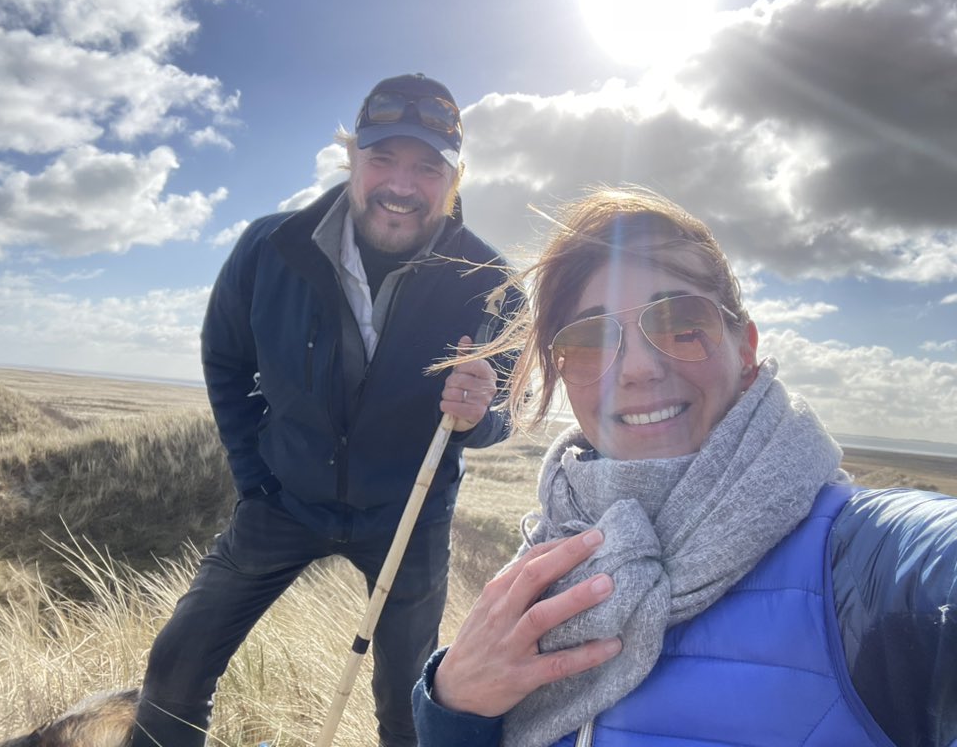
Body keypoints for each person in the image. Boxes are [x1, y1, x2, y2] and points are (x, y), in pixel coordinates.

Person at [412, 185, 957, 747]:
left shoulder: (862, 564)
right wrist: (452, 706)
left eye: (681, 325)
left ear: (744, 349)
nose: (639, 368)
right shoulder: (551, 552)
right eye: (592, 342)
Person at [130, 73, 519, 747]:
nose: (402, 183)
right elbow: (226, 360)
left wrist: (481, 411)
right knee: (175, 668)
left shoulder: (491, 284)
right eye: (383, 159)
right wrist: (255, 475)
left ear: (453, 178)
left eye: (427, 166)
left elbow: (502, 410)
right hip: (282, 502)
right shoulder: (269, 248)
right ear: (352, 159)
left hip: (408, 514)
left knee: (408, 711)